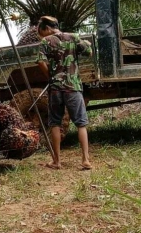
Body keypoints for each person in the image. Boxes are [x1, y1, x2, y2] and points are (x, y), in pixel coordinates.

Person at [36, 15, 92, 170]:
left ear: (47, 28)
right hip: (73, 87)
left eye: (42, 31)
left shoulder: (46, 42)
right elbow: (89, 52)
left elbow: (40, 61)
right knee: (81, 123)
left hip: (55, 88)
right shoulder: (73, 37)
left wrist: (50, 76)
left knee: (55, 123)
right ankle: (85, 160)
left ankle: (57, 161)